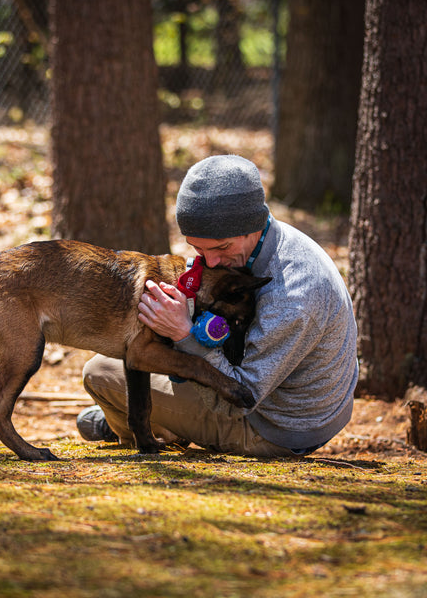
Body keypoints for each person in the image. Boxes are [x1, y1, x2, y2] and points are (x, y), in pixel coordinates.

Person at [77, 155, 358, 457]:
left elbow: (239, 398)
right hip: (302, 409)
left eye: (221, 248)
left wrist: (183, 334)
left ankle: (148, 428)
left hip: (277, 428)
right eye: (198, 249)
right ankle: (159, 419)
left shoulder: (292, 294)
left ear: (252, 225)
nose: (209, 262)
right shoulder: (267, 240)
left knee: (101, 373)